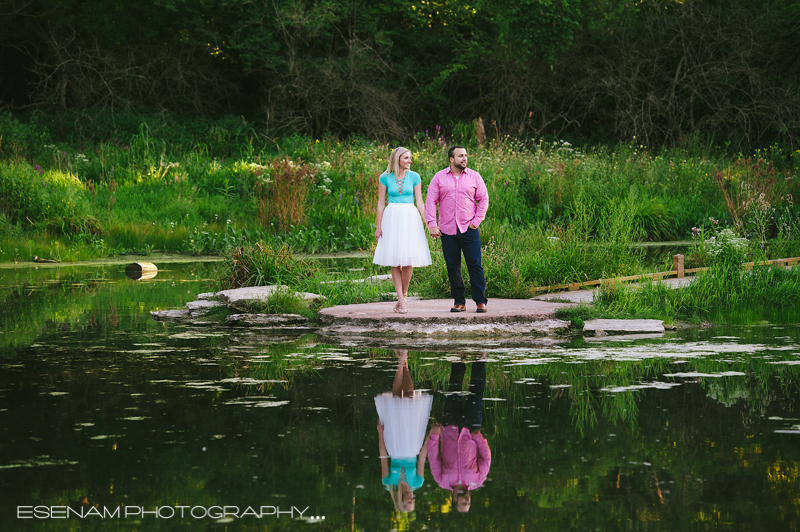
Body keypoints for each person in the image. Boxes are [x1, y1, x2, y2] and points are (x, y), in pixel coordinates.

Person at [425, 145, 489, 313]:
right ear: (451, 159)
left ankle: (480, 301)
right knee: (453, 266)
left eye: (466, 155)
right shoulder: (439, 178)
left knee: (475, 264)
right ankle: (459, 301)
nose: (464, 158)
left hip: (469, 228)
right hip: (447, 230)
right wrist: (432, 224)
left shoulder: (475, 177)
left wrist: (475, 222)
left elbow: (483, 200)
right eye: (460, 156)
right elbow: (430, 201)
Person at [427, 359, 491, 513]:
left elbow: (433, 457)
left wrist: (434, 437)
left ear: (454, 500)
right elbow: (486, 458)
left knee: (454, 391)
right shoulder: (478, 480)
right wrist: (478, 438)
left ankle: (459, 359)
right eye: (468, 504)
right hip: (471, 430)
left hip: (450, 427)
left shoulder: (441, 481)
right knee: (476, 394)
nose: (467, 501)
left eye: (464, 503)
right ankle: (479, 359)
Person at [374, 147, 432, 313]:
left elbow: (420, 202)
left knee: (407, 262)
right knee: (395, 260)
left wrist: (428, 222)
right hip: (392, 217)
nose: (410, 161)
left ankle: (404, 294)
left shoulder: (415, 177)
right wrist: (378, 227)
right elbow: (380, 203)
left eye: (410, 158)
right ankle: (400, 299)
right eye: (406, 158)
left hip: (409, 217)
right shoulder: (385, 177)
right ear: (398, 158)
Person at [375, 350, 433, 513]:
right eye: (412, 501)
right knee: (408, 398)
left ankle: (400, 362)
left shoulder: (388, 482)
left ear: (401, 501)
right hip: (412, 444)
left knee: (395, 399)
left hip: (394, 445)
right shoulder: (418, 482)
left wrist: (380, 432)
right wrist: (430, 436)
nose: (411, 499)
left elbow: (383, 456)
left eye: (409, 501)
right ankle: (404, 363)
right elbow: (422, 457)